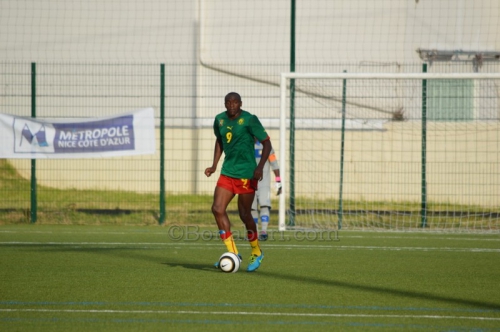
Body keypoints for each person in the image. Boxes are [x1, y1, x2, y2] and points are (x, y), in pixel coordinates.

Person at [204, 92, 273, 272]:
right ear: (225, 104)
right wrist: (213, 166)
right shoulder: (219, 120)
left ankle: (256, 251)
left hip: (246, 175)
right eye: (229, 102)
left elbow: (267, 143)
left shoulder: (250, 119)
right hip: (227, 173)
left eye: (235, 102)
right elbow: (219, 140)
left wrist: (259, 168)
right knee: (217, 209)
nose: (232, 105)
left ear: (240, 103)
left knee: (244, 215)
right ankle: (233, 252)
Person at [252, 139, 282, 241]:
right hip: (249, 182)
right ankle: (254, 232)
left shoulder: (266, 146)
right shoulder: (245, 144)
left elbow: (274, 163)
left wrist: (278, 180)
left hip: (264, 182)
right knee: (252, 208)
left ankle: (264, 231)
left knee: (264, 205)